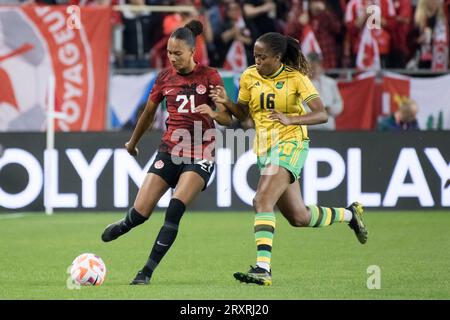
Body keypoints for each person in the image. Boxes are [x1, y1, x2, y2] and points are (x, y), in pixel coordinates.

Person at [210, 32, 368, 286]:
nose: (257, 62)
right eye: (255, 56)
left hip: (291, 143)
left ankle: (263, 269)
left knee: (261, 200)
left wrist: (291, 119)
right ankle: (350, 215)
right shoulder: (249, 76)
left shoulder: (296, 79)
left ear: (278, 57)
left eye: (262, 57)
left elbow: (321, 114)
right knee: (299, 217)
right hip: (264, 148)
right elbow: (243, 113)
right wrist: (226, 102)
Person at [101, 20, 232, 285]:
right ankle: (126, 224)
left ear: (192, 52)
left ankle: (146, 272)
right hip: (169, 150)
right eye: (170, 53)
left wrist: (215, 113)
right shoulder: (164, 78)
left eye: (178, 53)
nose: (172, 58)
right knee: (140, 213)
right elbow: (148, 114)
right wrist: (132, 142)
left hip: (201, 153)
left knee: (174, 209)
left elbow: (229, 118)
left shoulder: (210, 76)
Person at [307, 52, 343, 130]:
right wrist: (314, 110)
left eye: (316, 66)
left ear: (320, 66)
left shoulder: (330, 83)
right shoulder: (301, 83)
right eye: (311, 66)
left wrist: (330, 109)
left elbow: (339, 103)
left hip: (328, 125)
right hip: (310, 127)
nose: (314, 69)